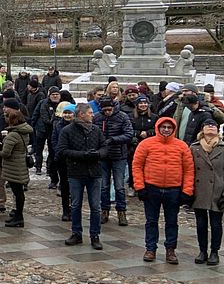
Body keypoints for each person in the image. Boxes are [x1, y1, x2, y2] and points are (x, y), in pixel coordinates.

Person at [132, 117, 194, 265]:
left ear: (174, 129)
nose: (166, 129)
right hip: (151, 188)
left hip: (173, 189)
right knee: (151, 221)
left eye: (169, 127)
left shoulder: (182, 146)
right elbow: (137, 165)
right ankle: (150, 248)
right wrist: (140, 187)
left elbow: (189, 170)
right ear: (158, 127)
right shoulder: (146, 144)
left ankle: (170, 249)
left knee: (172, 222)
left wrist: (187, 191)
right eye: (163, 127)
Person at [58, 103, 107, 250]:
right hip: (76, 172)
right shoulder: (67, 131)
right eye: (90, 113)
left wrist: (98, 154)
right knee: (76, 204)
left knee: (95, 206)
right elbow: (62, 150)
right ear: (82, 114)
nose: (93, 115)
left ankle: (95, 235)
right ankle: (76, 233)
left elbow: (104, 147)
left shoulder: (96, 130)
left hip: (95, 172)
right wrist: (82, 155)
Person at [94, 97, 134, 226]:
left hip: (119, 156)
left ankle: (121, 212)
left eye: (109, 110)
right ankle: (104, 210)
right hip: (103, 156)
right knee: (104, 186)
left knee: (119, 186)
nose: (107, 112)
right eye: (104, 110)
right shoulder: (97, 117)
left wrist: (113, 139)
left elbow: (129, 134)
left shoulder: (122, 117)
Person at [190, 122, 224, 266]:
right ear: (202, 130)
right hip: (200, 190)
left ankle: (214, 252)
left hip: (218, 190)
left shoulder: (222, 148)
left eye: (213, 126)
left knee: (216, 224)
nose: (210, 127)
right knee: (201, 223)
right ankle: (202, 250)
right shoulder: (194, 147)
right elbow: (189, 170)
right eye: (207, 125)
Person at [0, 112, 33, 228]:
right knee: (19, 192)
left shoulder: (13, 135)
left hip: (13, 166)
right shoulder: (25, 132)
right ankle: (18, 215)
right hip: (21, 164)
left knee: (17, 192)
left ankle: (19, 217)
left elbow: (6, 153)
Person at [51, 103, 76, 221]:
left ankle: (74, 208)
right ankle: (66, 209)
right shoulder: (57, 125)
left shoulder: (77, 125)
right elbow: (54, 140)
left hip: (75, 159)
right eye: (65, 113)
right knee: (65, 185)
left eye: (69, 113)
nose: (67, 115)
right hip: (62, 159)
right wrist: (59, 151)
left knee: (75, 185)